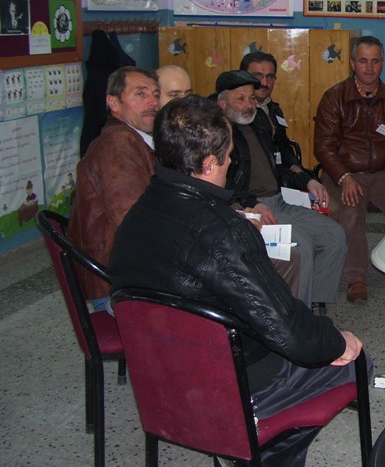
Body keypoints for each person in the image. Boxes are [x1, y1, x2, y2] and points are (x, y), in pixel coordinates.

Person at [109, 95, 367, 467]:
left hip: (159, 378)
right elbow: (287, 331)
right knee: (357, 361)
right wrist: (337, 340)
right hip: (229, 384)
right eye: (228, 156)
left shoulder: (136, 216)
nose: (231, 163)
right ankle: (259, 448)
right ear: (209, 164)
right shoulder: (226, 231)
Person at [216, 70, 346, 308]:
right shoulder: (218, 136)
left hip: (279, 200)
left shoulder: (259, 124)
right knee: (302, 246)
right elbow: (223, 185)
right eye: (240, 99)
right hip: (249, 208)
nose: (249, 105)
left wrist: (308, 181)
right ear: (222, 103)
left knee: (334, 235)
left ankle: (316, 302)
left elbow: (278, 167)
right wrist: (252, 204)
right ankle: (298, 313)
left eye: (252, 98)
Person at [314, 36, 385, 303]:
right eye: (363, 61)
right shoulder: (334, 98)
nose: (369, 68)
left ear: (382, 63)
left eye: (375, 61)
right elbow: (323, 147)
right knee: (350, 211)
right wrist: (343, 177)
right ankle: (356, 277)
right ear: (352, 63)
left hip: (383, 172)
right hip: (345, 171)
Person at [68, 67, 159, 308]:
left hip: (126, 273)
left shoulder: (136, 139)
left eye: (155, 95)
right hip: (115, 285)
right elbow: (134, 223)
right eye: (140, 94)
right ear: (113, 102)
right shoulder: (118, 143)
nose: (152, 102)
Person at [240, 51, 314, 178]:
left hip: (280, 173)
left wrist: (296, 169)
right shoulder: (239, 113)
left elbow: (283, 145)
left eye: (270, 77)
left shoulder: (274, 109)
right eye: (258, 76)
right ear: (243, 77)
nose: (264, 82)